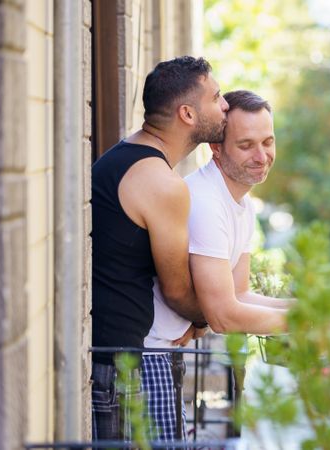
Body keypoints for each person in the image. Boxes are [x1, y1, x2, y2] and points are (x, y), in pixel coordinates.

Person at [90, 56, 228, 442]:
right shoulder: (162, 184)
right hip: (120, 365)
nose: (225, 105)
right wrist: (206, 317)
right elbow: (177, 290)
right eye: (216, 97)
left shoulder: (126, 155)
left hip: (114, 356)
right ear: (187, 113)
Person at [142, 90, 292, 441]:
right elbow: (225, 316)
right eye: (246, 145)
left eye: (268, 141)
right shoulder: (206, 202)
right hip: (147, 355)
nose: (262, 156)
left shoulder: (243, 205)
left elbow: (239, 293)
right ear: (217, 148)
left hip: (170, 351)